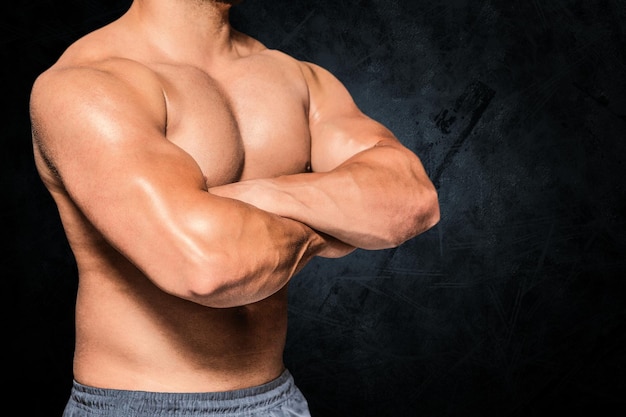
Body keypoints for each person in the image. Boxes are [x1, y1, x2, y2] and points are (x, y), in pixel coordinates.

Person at [29, 0, 440, 416]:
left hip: (279, 400)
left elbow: (413, 199)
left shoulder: (297, 77)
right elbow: (208, 267)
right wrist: (334, 227)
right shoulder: (87, 83)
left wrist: (255, 196)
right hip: (138, 404)